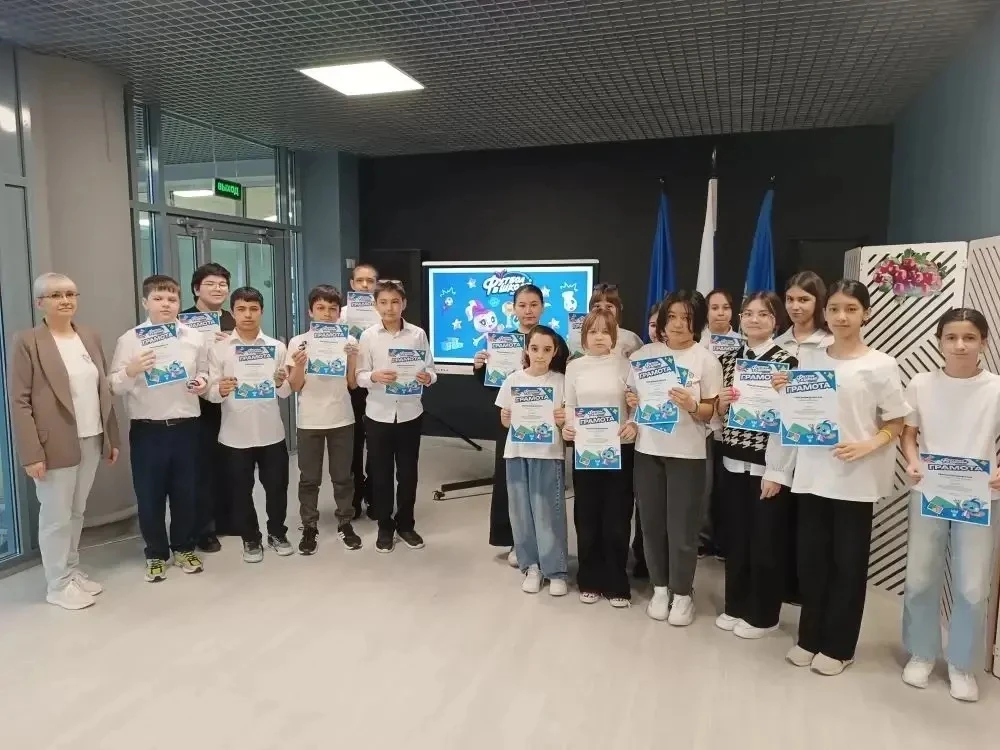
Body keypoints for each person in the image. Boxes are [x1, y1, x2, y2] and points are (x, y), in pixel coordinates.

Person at [771, 280, 910, 675]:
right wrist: (786, 391)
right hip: (813, 475)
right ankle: (809, 638)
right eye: (834, 308)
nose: (841, 316)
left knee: (847, 565)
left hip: (855, 478)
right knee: (811, 563)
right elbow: (801, 414)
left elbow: (897, 420)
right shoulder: (811, 358)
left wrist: (870, 444)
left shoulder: (880, 364)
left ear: (866, 314)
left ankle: (839, 646)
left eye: (851, 309)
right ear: (825, 313)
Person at [899, 308, 1000, 702]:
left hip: (980, 496)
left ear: (983, 342)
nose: (960, 345)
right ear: (939, 341)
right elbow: (908, 434)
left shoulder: (995, 388)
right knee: (919, 577)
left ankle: (961, 663)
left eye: (969, 337)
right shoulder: (921, 384)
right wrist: (912, 461)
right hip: (929, 491)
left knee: (973, 585)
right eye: (951, 337)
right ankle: (922, 652)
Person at [8, 273, 120, 609]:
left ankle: (70, 570)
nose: (66, 300)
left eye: (71, 294)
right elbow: (19, 401)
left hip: (91, 437)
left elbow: (102, 390)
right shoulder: (28, 341)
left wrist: (111, 436)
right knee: (55, 517)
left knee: (76, 511)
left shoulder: (89, 336)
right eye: (56, 295)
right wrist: (31, 453)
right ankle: (57, 584)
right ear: (39, 303)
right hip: (52, 444)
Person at [627, 290, 723, 626]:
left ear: (697, 322)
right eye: (672, 317)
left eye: (686, 318)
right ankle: (659, 588)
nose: (678, 324)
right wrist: (631, 400)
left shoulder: (706, 360)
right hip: (648, 451)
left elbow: (712, 411)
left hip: (687, 454)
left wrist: (693, 406)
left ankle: (682, 593)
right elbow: (632, 399)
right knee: (651, 524)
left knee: (682, 528)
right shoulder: (644, 355)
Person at [110, 275, 209, 582]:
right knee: (149, 495)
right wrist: (131, 370)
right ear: (145, 302)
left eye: (171, 299)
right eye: (158, 298)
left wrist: (202, 382)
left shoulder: (194, 337)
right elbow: (114, 385)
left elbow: (205, 372)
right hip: (148, 430)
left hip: (187, 426)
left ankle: (183, 546)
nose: (166, 304)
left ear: (179, 303)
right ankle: (155, 552)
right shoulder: (130, 339)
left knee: (185, 492)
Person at [713, 292, 797, 639]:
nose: (754, 319)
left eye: (763, 314)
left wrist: (778, 471)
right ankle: (735, 605)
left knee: (766, 542)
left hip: (767, 465)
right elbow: (718, 416)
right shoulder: (729, 360)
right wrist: (720, 405)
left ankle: (763, 615)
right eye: (748, 313)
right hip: (732, 460)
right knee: (737, 538)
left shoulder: (788, 362)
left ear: (776, 321)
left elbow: (791, 421)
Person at [208, 286, 293, 563]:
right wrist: (220, 389)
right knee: (240, 491)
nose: (248, 315)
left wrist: (281, 382)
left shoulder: (276, 347)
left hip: (271, 432)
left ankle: (277, 533)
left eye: (253, 309)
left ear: (261, 312)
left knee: (277, 488)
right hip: (235, 434)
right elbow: (210, 391)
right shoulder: (220, 349)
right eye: (241, 309)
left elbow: (286, 392)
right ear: (232, 312)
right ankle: (250, 538)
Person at [563, 309, 636, 607]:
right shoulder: (574, 367)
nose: (599, 337)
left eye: (605, 331)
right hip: (586, 451)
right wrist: (568, 427)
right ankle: (589, 578)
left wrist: (633, 423)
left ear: (614, 336)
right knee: (587, 515)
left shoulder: (626, 366)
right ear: (583, 337)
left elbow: (636, 404)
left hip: (620, 449)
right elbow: (570, 405)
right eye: (593, 331)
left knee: (617, 516)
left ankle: (616, 580)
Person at [356, 279, 436, 553]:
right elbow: (359, 375)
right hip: (378, 414)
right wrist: (374, 376)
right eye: (383, 302)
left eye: (394, 302)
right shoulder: (368, 336)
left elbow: (430, 369)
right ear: (375, 305)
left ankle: (406, 524)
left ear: (404, 304)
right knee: (380, 474)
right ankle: (384, 526)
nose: (389, 308)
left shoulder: (417, 335)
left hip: (410, 414)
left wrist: (428, 377)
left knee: (408, 473)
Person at [286, 284, 363, 554]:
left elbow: (352, 384)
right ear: (310, 311)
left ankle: (345, 522)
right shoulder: (298, 342)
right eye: (320, 308)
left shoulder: (349, 341)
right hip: (309, 420)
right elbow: (295, 386)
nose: (327, 313)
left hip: (342, 417)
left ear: (339, 312)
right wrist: (299, 364)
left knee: (343, 477)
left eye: (332, 308)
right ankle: (309, 526)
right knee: (309, 478)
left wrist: (352, 360)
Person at [473, 283, 544, 566]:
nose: (528, 310)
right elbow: (494, 385)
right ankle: (515, 539)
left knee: (539, 481)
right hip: (510, 419)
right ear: (513, 309)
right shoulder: (502, 341)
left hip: (542, 422)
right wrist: (481, 368)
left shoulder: (552, 341)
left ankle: (541, 540)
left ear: (542, 307)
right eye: (522, 305)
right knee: (510, 480)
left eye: (534, 304)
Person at [496, 325, 570, 596]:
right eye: (535, 348)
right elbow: (506, 421)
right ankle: (532, 567)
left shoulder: (561, 382)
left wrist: (562, 420)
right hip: (517, 453)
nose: (540, 355)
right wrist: (505, 418)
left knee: (549, 513)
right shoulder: (513, 380)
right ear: (526, 350)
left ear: (555, 352)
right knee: (521, 514)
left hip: (548, 454)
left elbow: (567, 421)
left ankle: (555, 570)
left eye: (547, 349)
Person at [774, 271, 833, 604]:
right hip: (779, 441)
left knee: (811, 524)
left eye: (804, 300)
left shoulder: (830, 344)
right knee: (781, 518)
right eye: (791, 299)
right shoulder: (777, 343)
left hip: (818, 445)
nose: (796, 306)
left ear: (818, 302)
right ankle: (784, 585)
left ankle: (807, 589)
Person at [183, 262, 237, 554]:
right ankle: (203, 530)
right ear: (196, 289)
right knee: (200, 468)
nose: (218, 289)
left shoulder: (232, 318)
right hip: (195, 404)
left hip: (228, 401)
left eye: (222, 284)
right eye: (210, 284)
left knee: (227, 464)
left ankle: (227, 520)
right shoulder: (182, 321)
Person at [699, 288, 738, 561]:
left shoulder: (743, 344)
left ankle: (725, 539)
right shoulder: (697, 344)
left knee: (728, 487)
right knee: (705, 486)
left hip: (734, 427)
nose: (720, 313)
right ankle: (703, 539)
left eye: (725, 307)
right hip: (704, 424)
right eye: (714, 308)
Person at [345, 263, 379, 519]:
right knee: (353, 445)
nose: (365, 285)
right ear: (352, 284)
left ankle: (374, 494)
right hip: (349, 388)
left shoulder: (385, 312)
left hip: (378, 387)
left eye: (370, 281)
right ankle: (354, 496)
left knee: (377, 445)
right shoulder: (340, 315)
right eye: (360, 281)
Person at [588, 283, 644, 357]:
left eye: (609, 306)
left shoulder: (631, 339)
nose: (603, 310)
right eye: (597, 306)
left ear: (619, 308)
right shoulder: (578, 337)